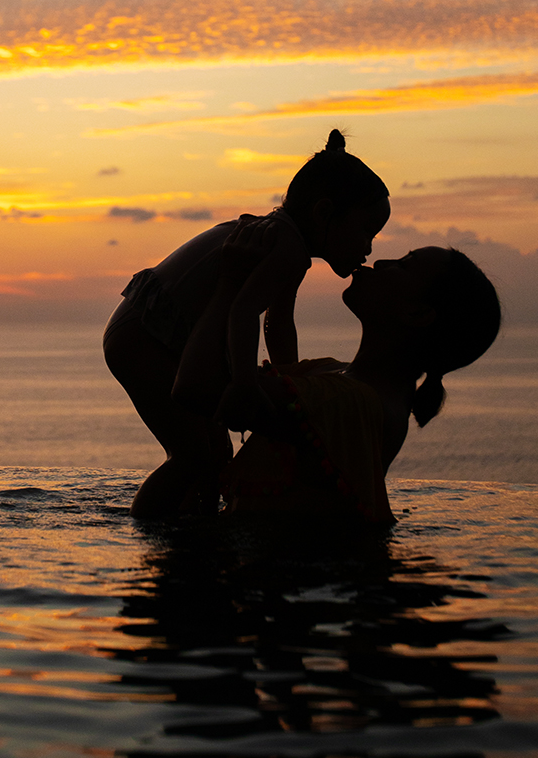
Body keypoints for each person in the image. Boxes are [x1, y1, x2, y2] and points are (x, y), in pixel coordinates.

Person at [104, 130, 390, 518]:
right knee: (193, 453)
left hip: (145, 329)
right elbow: (242, 313)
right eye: (365, 231)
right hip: (146, 337)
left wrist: (290, 379)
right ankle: (147, 529)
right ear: (324, 213)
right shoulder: (285, 247)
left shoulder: (281, 240)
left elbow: (277, 319)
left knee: (215, 454)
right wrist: (243, 383)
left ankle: (191, 530)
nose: (369, 247)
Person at [190, 243, 502, 523]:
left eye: (403, 264)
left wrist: (230, 286)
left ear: (417, 313)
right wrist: (284, 272)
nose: (381, 263)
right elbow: (278, 352)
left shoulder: (347, 402)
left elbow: (198, 386)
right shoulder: (339, 379)